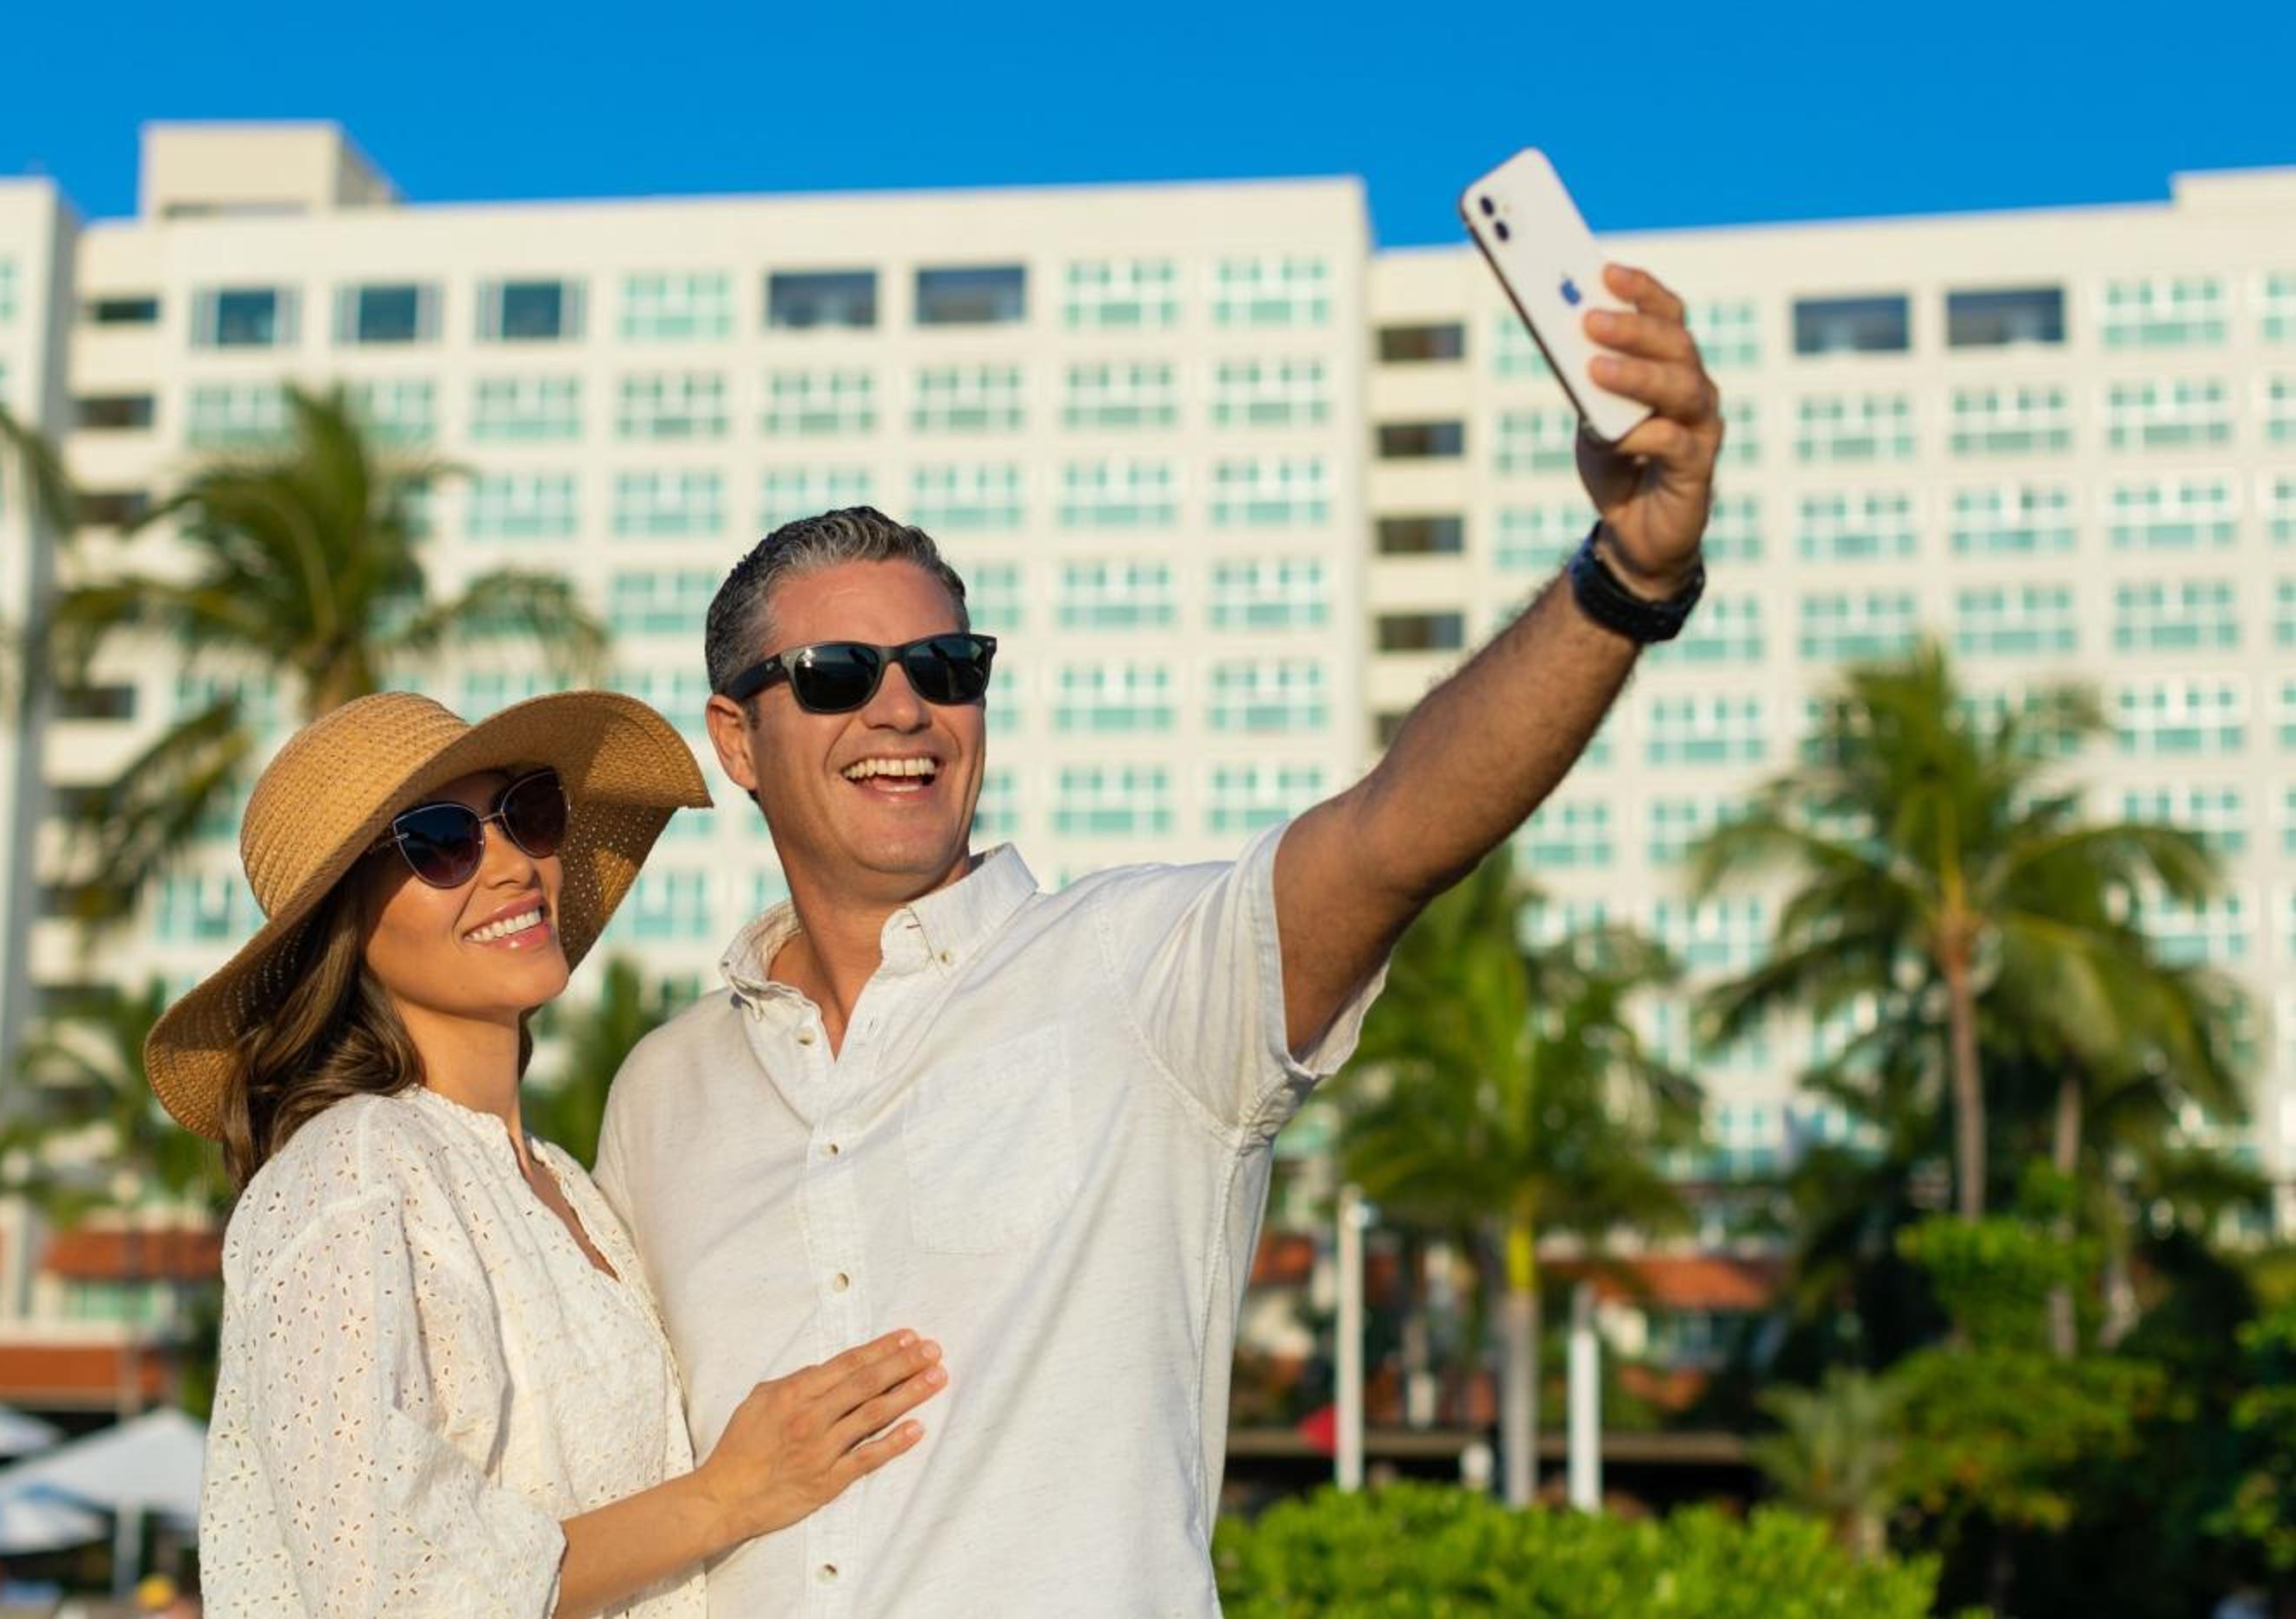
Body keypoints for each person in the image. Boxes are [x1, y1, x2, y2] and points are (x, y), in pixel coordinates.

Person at [594, 263, 1722, 1612]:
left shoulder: (1140, 975)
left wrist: (1625, 580)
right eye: (838, 676)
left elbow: (1397, 833)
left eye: (947, 670)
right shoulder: (661, 1094)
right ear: (738, 741)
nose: (904, 710)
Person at [144, 690, 950, 1617]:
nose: (511, 863)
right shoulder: (353, 1168)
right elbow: (383, 1583)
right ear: (346, 921)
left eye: (526, 811)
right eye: (439, 839)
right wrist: (731, 1492)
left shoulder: (565, 1182)